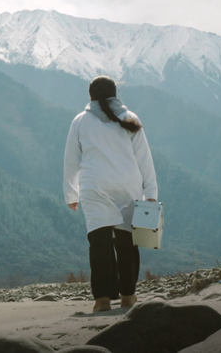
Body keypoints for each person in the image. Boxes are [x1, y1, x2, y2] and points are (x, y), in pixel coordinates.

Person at [63, 76, 158, 313]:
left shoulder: (80, 121)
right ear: (115, 94)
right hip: (128, 184)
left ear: (91, 96)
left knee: (99, 242)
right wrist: (151, 192)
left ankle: (102, 300)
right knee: (127, 242)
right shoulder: (130, 118)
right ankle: (128, 296)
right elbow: (144, 158)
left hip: (95, 186)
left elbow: (71, 161)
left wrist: (71, 194)